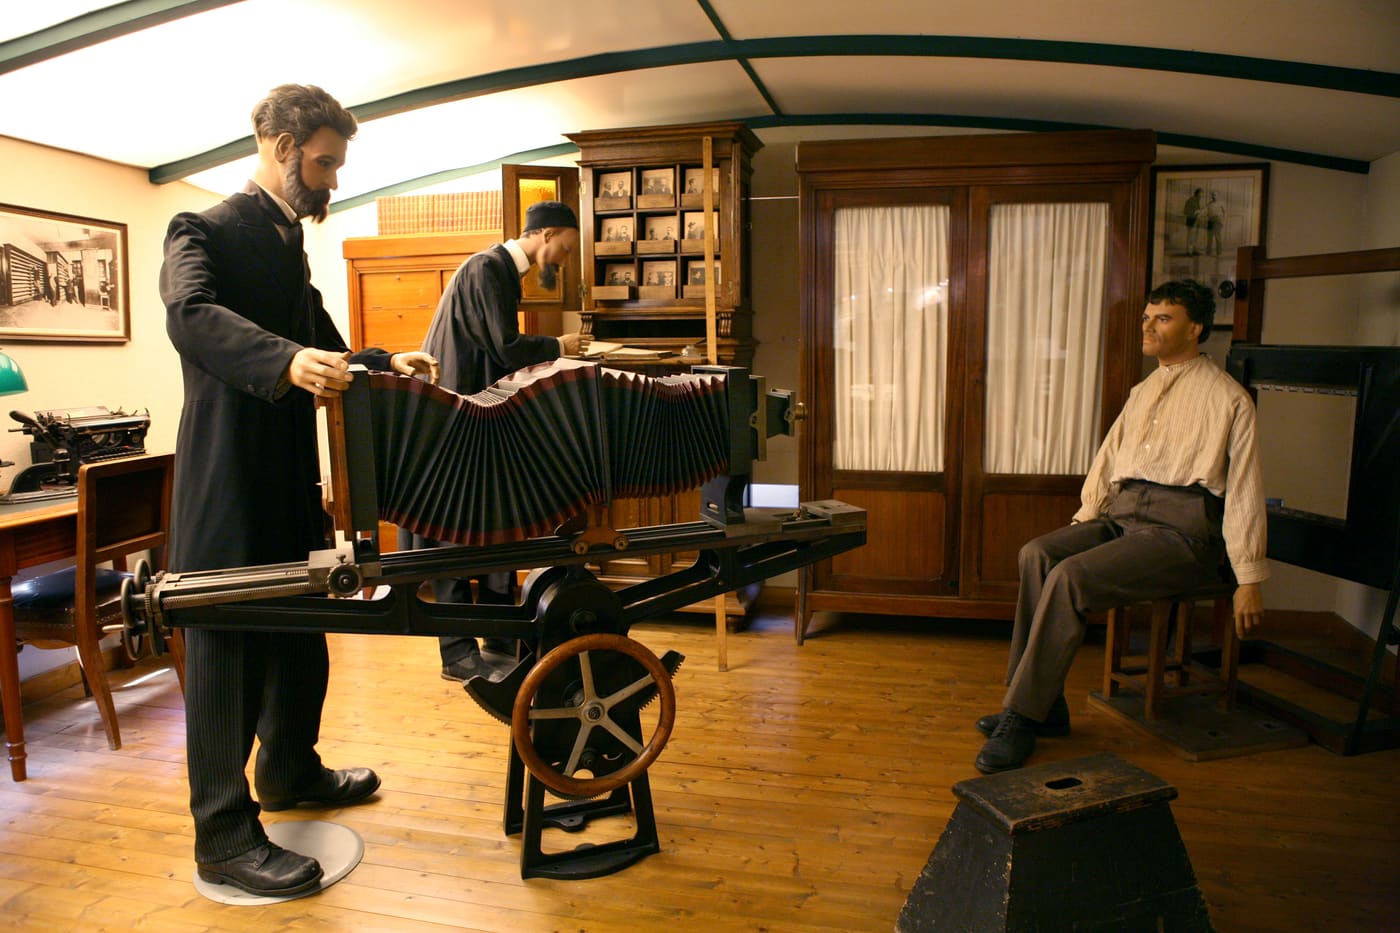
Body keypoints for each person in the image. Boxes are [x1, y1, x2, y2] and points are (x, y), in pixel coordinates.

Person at [160, 84, 440, 898]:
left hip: (287, 480)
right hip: (226, 482)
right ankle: (222, 835)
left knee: (298, 629)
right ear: (283, 149)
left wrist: (384, 365)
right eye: (323, 164)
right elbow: (190, 312)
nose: (330, 181)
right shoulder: (201, 229)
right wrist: (282, 362)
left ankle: (288, 768)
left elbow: (319, 337)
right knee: (225, 650)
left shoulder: (286, 241)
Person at [974, 279, 1267, 774]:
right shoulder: (1143, 389)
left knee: (1071, 577)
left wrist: (1249, 577)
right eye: (1147, 317)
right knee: (1038, 554)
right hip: (1125, 514)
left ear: (1196, 328)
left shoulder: (1230, 400)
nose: (1148, 326)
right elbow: (1109, 460)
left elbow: (1244, 489)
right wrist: (1088, 519)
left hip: (1182, 533)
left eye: (1163, 318)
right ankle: (1045, 704)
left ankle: (1023, 714)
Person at [409, 199, 589, 682]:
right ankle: (457, 653)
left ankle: (499, 639)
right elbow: (505, 347)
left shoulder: (496, 273)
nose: (563, 261)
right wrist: (559, 347)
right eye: (565, 250)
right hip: (456, 422)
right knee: (452, 535)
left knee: (496, 525)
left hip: (477, 420)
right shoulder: (487, 268)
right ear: (547, 234)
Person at [1204, 192, 1225, 257]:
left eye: (1215, 195)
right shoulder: (1209, 204)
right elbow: (1206, 211)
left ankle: (1219, 252)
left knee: (1218, 237)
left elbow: (1224, 213)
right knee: (1209, 237)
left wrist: (1222, 221)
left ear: (1218, 196)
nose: (1213, 196)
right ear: (1211, 196)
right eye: (1212, 195)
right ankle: (1208, 252)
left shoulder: (1221, 203)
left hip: (1217, 221)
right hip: (1210, 221)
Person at [1183, 188, 1203, 255]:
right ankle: (1189, 251)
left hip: (1196, 221)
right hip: (1191, 221)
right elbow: (1185, 211)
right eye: (1201, 193)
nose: (1201, 195)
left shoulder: (1197, 200)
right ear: (1197, 193)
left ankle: (1194, 250)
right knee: (1191, 237)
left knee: (1195, 237)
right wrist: (1195, 212)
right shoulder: (1191, 200)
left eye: (1202, 194)